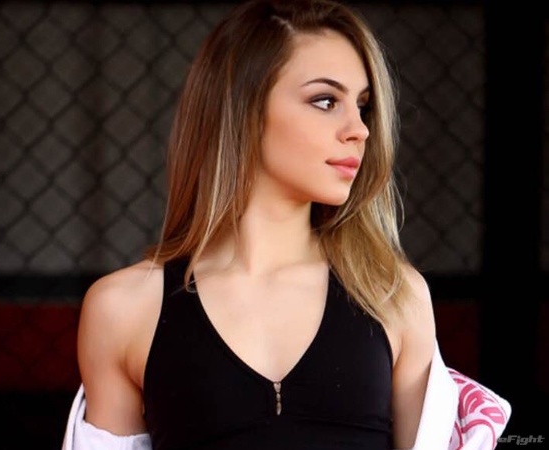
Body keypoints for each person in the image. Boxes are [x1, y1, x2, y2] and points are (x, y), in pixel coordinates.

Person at [69, 1, 510, 449]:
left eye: (362, 106)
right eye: (325, 101)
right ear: (242, 108)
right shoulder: (123, 310)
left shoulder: (394, 296)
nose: (359, 130)